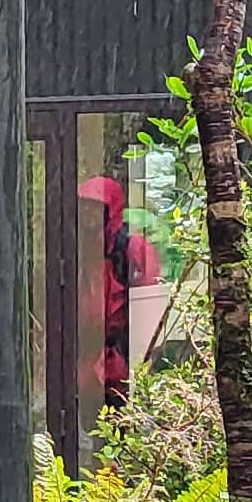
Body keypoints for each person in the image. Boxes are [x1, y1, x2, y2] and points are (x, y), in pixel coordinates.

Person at [77, 172, 160, 410]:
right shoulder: (81, 249)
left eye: (96, 208)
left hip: (123, 362)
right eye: (85, 208)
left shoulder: (133, 249)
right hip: (90, 363)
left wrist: (139, 360)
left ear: (110, 209)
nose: (88, 215)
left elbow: (150, 309)